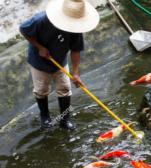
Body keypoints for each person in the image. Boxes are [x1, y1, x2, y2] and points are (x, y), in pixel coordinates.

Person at [20, 0, 100, 130]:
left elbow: (75, 50)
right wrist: (39, 47)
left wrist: (75, 73)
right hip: (39, 60)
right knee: (41, 90)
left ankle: (64, 119)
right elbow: (24, 29)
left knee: (64, 89)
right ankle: (45, 117)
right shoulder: (42, 19)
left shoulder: (76, 28)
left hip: (60, 60)